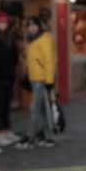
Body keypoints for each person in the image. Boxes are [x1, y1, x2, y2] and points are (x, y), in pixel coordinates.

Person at [16, 16, 56, 149]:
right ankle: (42, 135)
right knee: (40, 108)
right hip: (34, 78)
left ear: (39, 26)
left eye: (34, 25)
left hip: (41, 79)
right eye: (29, 25)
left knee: (34, 108)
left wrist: (49, 82)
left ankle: (30, 135)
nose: (31, 27)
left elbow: (49, 61)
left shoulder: (43, 39)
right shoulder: (30, 40)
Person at [0, 11, 21, 147]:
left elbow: (14, 56)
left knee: (6, 104)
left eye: (5, 22)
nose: (4, 24)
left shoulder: (10, 37)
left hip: (9, 75)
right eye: (1, 22)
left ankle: (6, 130)